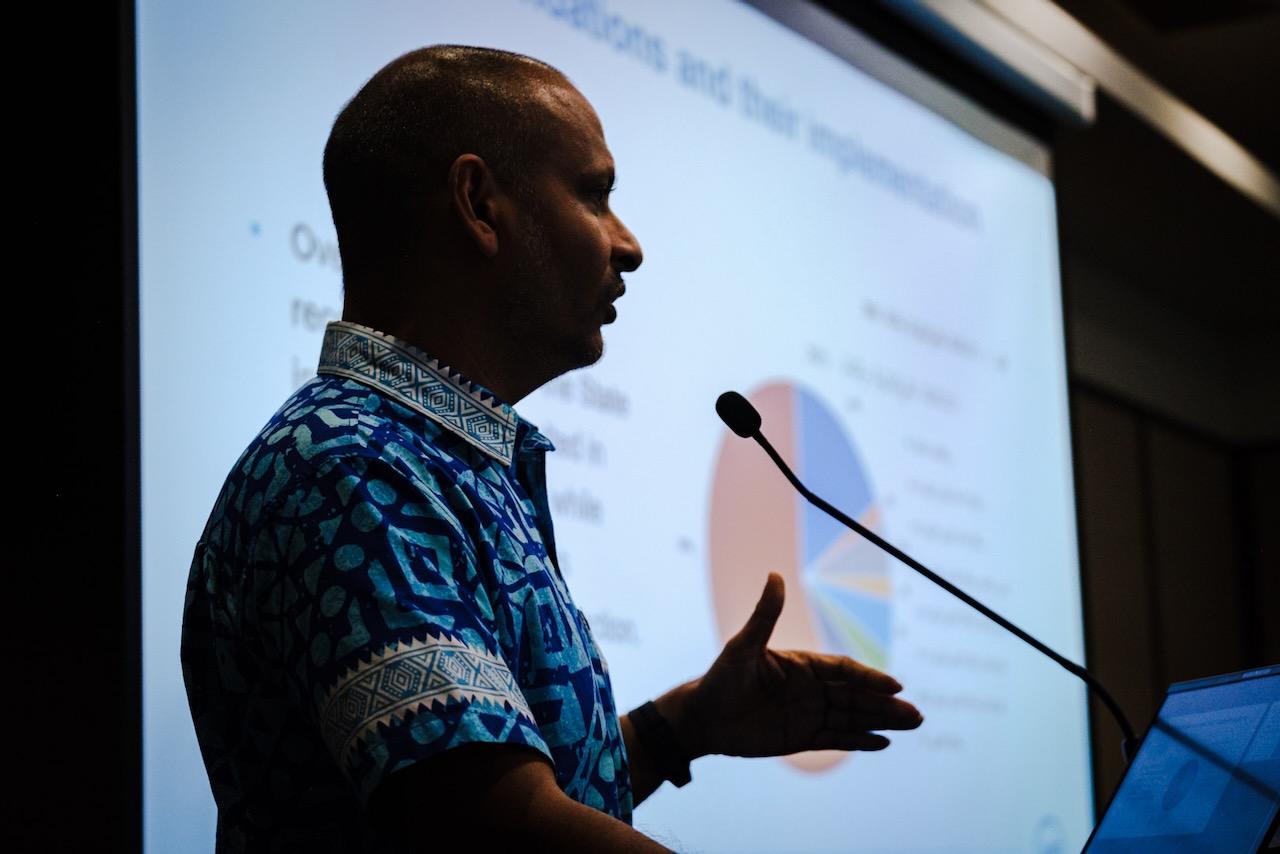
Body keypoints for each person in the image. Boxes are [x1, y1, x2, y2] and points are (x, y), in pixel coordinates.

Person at [181, 45, 923, 853]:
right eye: (595, 195)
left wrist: (684, 726)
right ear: (479, 204)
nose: (628, 244)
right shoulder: (352, 469)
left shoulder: (432, 457)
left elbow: (488, 785)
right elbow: (495, 827)